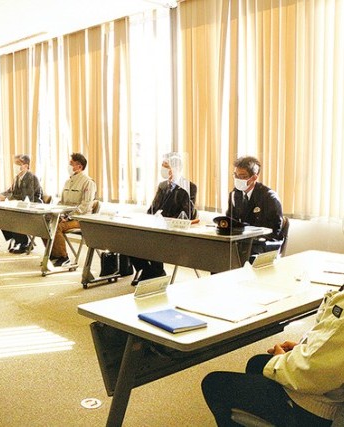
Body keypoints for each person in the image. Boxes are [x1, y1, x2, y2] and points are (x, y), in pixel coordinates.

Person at [202, 285, 344, 426]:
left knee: (213, 383)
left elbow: (312, 372)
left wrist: (279, 359)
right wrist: (306, 348)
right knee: (257, 364)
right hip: (329, 385)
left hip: (316, 405)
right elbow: (333, 345)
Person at [130, 155, 197, 284]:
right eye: (163, 166)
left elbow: (186, 213)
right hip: (156, 226)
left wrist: (165, 221)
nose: (164, 169)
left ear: (177, 168)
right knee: (128, 239)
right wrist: (147, 219)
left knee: (153, 239)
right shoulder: (162, 185)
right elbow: (152, 208)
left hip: (173, 230)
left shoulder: (189, 186)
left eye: (166, 166)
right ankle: (149, 270)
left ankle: (153, 272)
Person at [226, 156, 283, 256]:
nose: (238, 179)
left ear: (254, 177)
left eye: (242, 176)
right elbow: (230, 221)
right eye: (235, 175)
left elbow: (275, 230)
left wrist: (251, 238)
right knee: (220, 250)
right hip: (243, 241)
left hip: (264, 243)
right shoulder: (235, 195)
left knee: (242, 253)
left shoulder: (269, 197)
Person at [50, 153, 97, 267]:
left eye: (71, 164)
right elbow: (62, 202)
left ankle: (63, 257)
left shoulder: (88, 182)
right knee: (46, 224)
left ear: (79, 166)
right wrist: (57, 212)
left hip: (81, 219)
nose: (69, 166)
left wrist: (68, 216)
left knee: (57, 227)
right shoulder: (68, 182)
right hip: (66, 217)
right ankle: (54, 254)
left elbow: (85, 206)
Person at [0, 154, 44, 254]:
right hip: (21, 206)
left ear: (26, 166)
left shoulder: (31, 177)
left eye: (18, 163)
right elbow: (10, 191)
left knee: (14, 216)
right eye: (14, 163)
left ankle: (23, 243)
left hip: (34, 207)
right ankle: (16, 240)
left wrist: (6, 198)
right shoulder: (17, 178)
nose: (15, 166)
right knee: (1, 215)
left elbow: (26, 197)